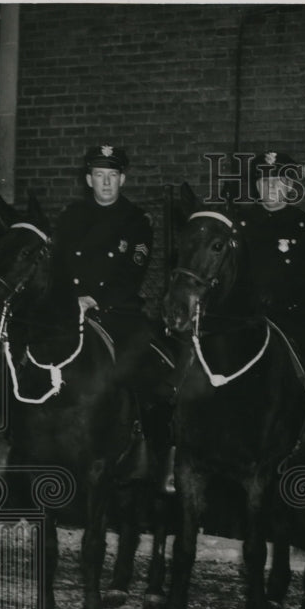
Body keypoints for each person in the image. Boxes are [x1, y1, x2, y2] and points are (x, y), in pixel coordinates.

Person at [53, 144, 174, 485]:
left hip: (118, 313)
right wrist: (70, 297)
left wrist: (95, 299)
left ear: (123, 179)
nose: (106, 183)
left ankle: (154, 454)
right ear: (89, 179)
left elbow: (132, 271)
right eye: (100, 176)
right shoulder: (69, 216)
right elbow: (57, 264)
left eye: (113, 177)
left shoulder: (137, 220)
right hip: (68, 310)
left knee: (158, 371)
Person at [239, 150, 305, 436]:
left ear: (290, 186)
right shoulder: (239, 224)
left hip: (292, 317)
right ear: (257, 186)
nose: (271, 187)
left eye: (279, 180)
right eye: (265, 180)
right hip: (246, 317)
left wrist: (280, 301)